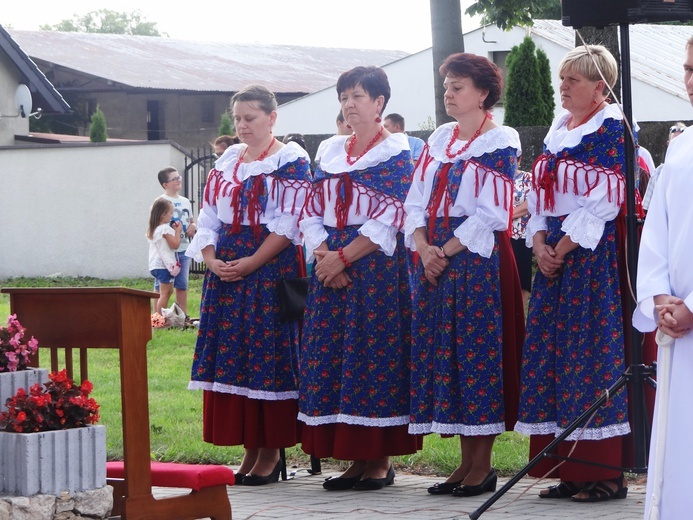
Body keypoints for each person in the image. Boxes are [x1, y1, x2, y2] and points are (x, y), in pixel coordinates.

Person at [404, 52, 524, 497]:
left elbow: (492, 214)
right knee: (447, 359)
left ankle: (483, 464)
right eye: (447, 87)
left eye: (457, 88)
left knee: (476, 356)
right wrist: (422, 248)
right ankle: (463, 463)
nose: (448, 94)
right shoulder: (439, 139)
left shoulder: (499, 140)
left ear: (483, 93)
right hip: (434, 258)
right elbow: (414, 199)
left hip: (475, 261)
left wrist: (443, 252)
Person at [514, 45, 631, 502]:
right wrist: (539, 241)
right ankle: (572, 468)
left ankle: (605, 474)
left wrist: (559, 247)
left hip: (589, 254)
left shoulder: (611, 127)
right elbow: (541, 194)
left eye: (572, 81)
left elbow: (605, 201)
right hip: (555, 255)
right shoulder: (560, 128)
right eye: (562, 80)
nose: (562, 88)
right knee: (554, 357)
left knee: (589, 357)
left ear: (599, 87)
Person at [298, 65, 420, 491]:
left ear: (380, 103)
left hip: (374, 270)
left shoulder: (397, 154)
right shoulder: (331, 151)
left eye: (357, 97)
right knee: (334, 356)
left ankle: (379, 459)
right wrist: (323, 256)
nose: (349, 105)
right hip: (330, 267)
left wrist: (343, 259)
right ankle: (354, 457)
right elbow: (310, 208)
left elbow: (392, 218)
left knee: (373, 356)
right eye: (344, 97)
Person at [186, 84, 311, 486]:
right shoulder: (227, 161)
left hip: (268, 268)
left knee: (267, 356)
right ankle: (250, 448)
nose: (241, 126)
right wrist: (211, 261)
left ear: (272, 118)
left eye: (250, 118)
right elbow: (208, 217)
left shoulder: (291, 160)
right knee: (235, 357)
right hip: (226, 272)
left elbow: (289, 223)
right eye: (237, 118)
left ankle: (271, 451)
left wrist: (253, 262)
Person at [633, 36, 693, 520]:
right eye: (689, 69)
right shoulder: (682, 147)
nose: (690, 82)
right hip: (677, 321)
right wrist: (659, 296)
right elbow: (657, 230)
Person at [156, 167, 196, 315]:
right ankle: (158, 316)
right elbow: (155, 225)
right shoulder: (160, 202)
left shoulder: (185, 201)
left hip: (184, 249)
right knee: (163, 286)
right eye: (174, 179)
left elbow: (191, 221)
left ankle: (182, 316)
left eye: (178, 177)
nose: (179, 180)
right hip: (167, 251)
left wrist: (193, 226)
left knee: (182, 285)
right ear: (165, 185)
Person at [147, 197, 182, 315]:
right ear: (163, 214)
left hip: (155, 265)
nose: (172, 216)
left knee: (160, 292)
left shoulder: (155, 229)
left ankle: (156, 317)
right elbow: (175, 245)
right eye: (170, 213)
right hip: (164, 265)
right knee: (166, 293)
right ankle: (160, 319)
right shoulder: (165, 229)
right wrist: (178, 231)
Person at [642, 122, 686, 211]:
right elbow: (648, 206)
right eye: (674, 142)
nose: (677, 145)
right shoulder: (660, 172)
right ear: (668, 144)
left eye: (681, 141)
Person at [511, 169, 533, 310]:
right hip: (499, 235)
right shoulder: (496, 177)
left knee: (522, 279)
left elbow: (530, 204)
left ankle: (518, 314)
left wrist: (504, 217)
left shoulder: (527, 178)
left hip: (522, 235)